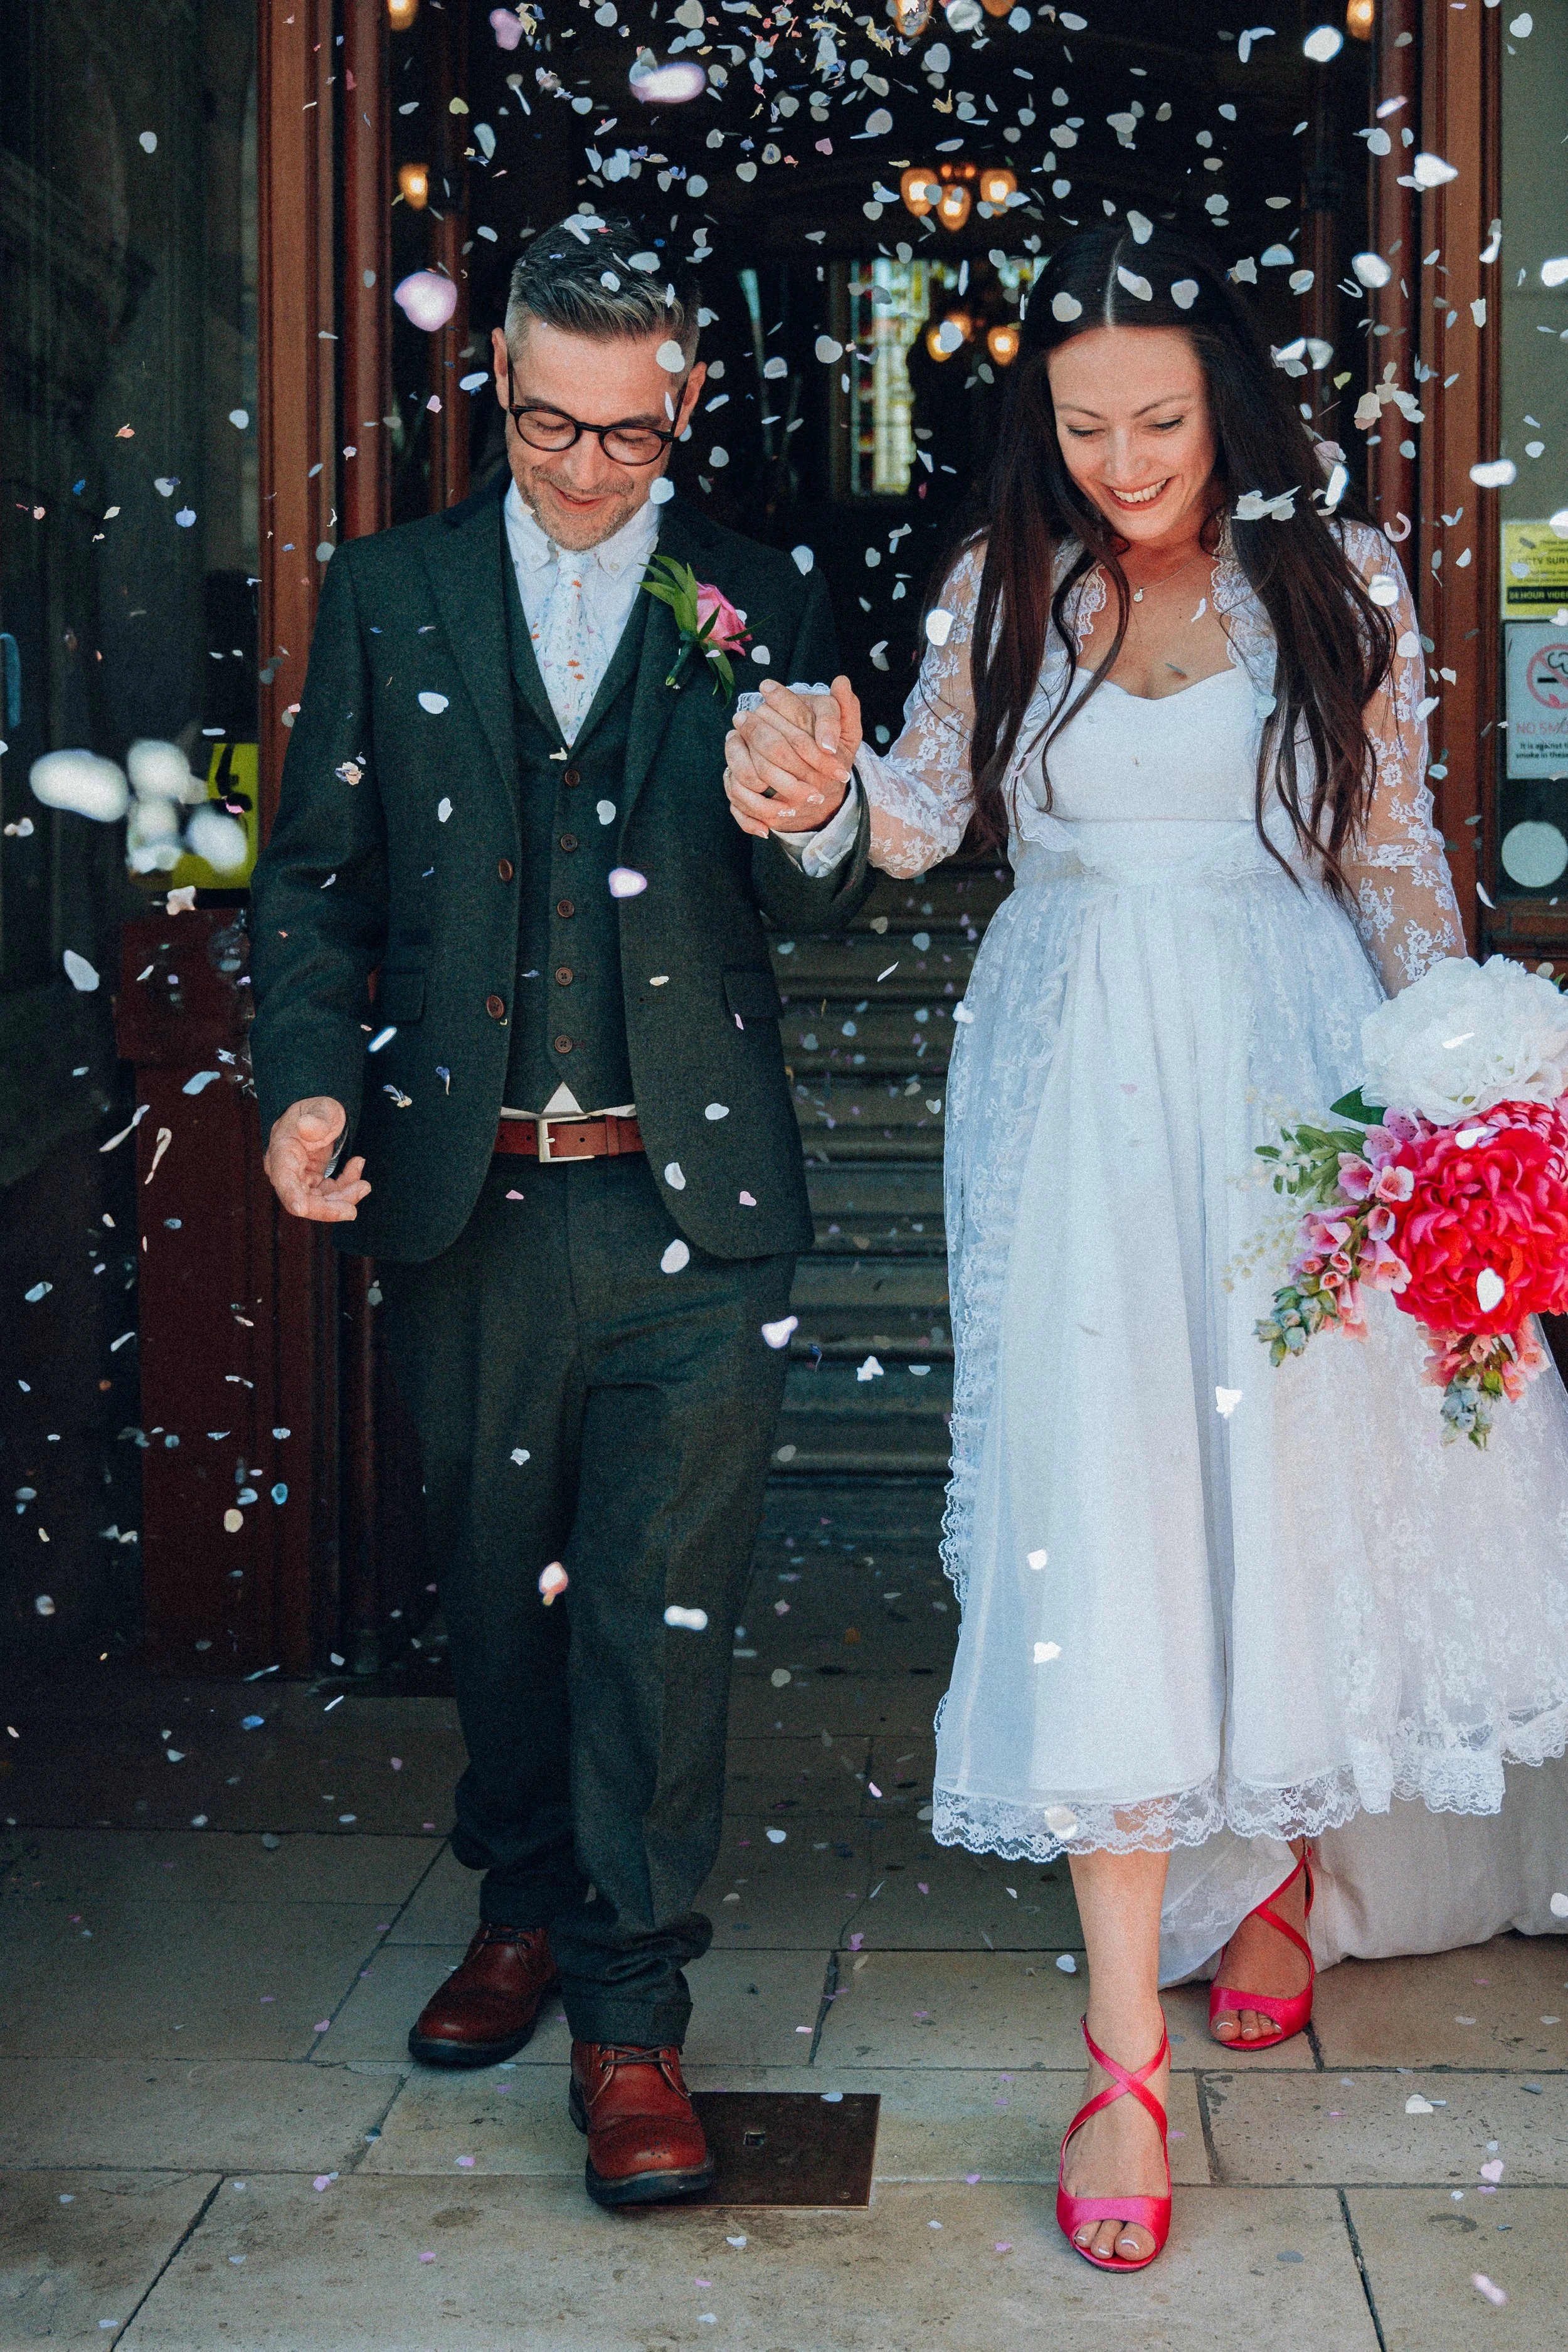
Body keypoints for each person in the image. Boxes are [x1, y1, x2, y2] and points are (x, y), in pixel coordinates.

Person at [724, 223, 1568, 2272]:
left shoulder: (1336, 577)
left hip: (1294, 1079)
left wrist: (1468, 1111)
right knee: (1098, 1516)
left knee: (1292, 1490)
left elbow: (1390, 859)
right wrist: (816, 790)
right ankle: (1119, 2054)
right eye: (1084, 424)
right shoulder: (1002, 581)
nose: (1121, 462)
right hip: (1075, 1093)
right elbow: (914, 819)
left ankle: (1278, 1869)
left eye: (1160, 421)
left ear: (1230, 403)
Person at [249, 215, 869, 2209]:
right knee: (495, 1591)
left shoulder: (761, 593)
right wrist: (306, 1081)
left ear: (685, 403)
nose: (590, 472)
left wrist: (819, 815)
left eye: (629, 434)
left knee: (653, 1621)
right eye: (548, 427)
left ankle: (628, 2009)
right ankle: (518, 1894)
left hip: (698, 1204)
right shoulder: (395, 592)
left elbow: (820, 884)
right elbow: (315, 882)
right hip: (473, 1197)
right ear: (497, 387)